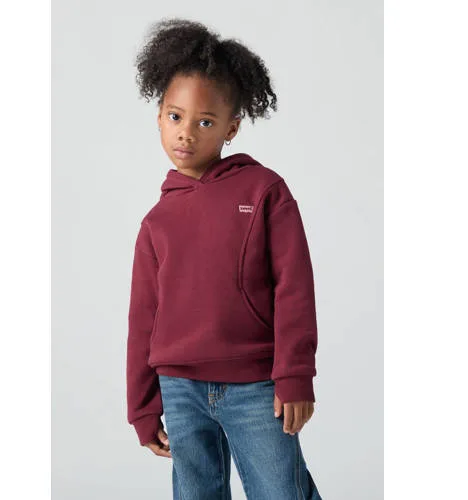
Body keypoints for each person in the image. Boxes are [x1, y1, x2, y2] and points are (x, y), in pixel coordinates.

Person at [126, 17, 323, 499]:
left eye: (205, 122)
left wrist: (295, 373)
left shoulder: (264, 191)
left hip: (256, 386)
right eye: (176, 117)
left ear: (231, 128)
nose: (186, 134)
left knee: (281, 492)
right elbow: (143, 317)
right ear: (158, 116)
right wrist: (142, 406)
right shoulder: (156, 221)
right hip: (180, 389)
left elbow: (294, 287)